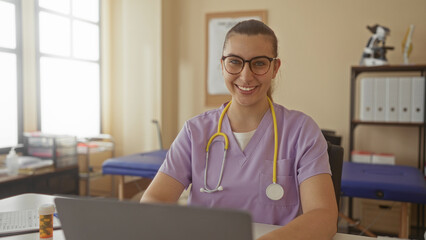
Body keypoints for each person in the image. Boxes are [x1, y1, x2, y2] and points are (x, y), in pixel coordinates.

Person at [141, 19, 338, 240]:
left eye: (259, 63)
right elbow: (153, 202)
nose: (245, 76)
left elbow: (324, 216)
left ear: (275, 68)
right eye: (235, 62)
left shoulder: (301, 131)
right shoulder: (195, 132)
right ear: (223, 64)